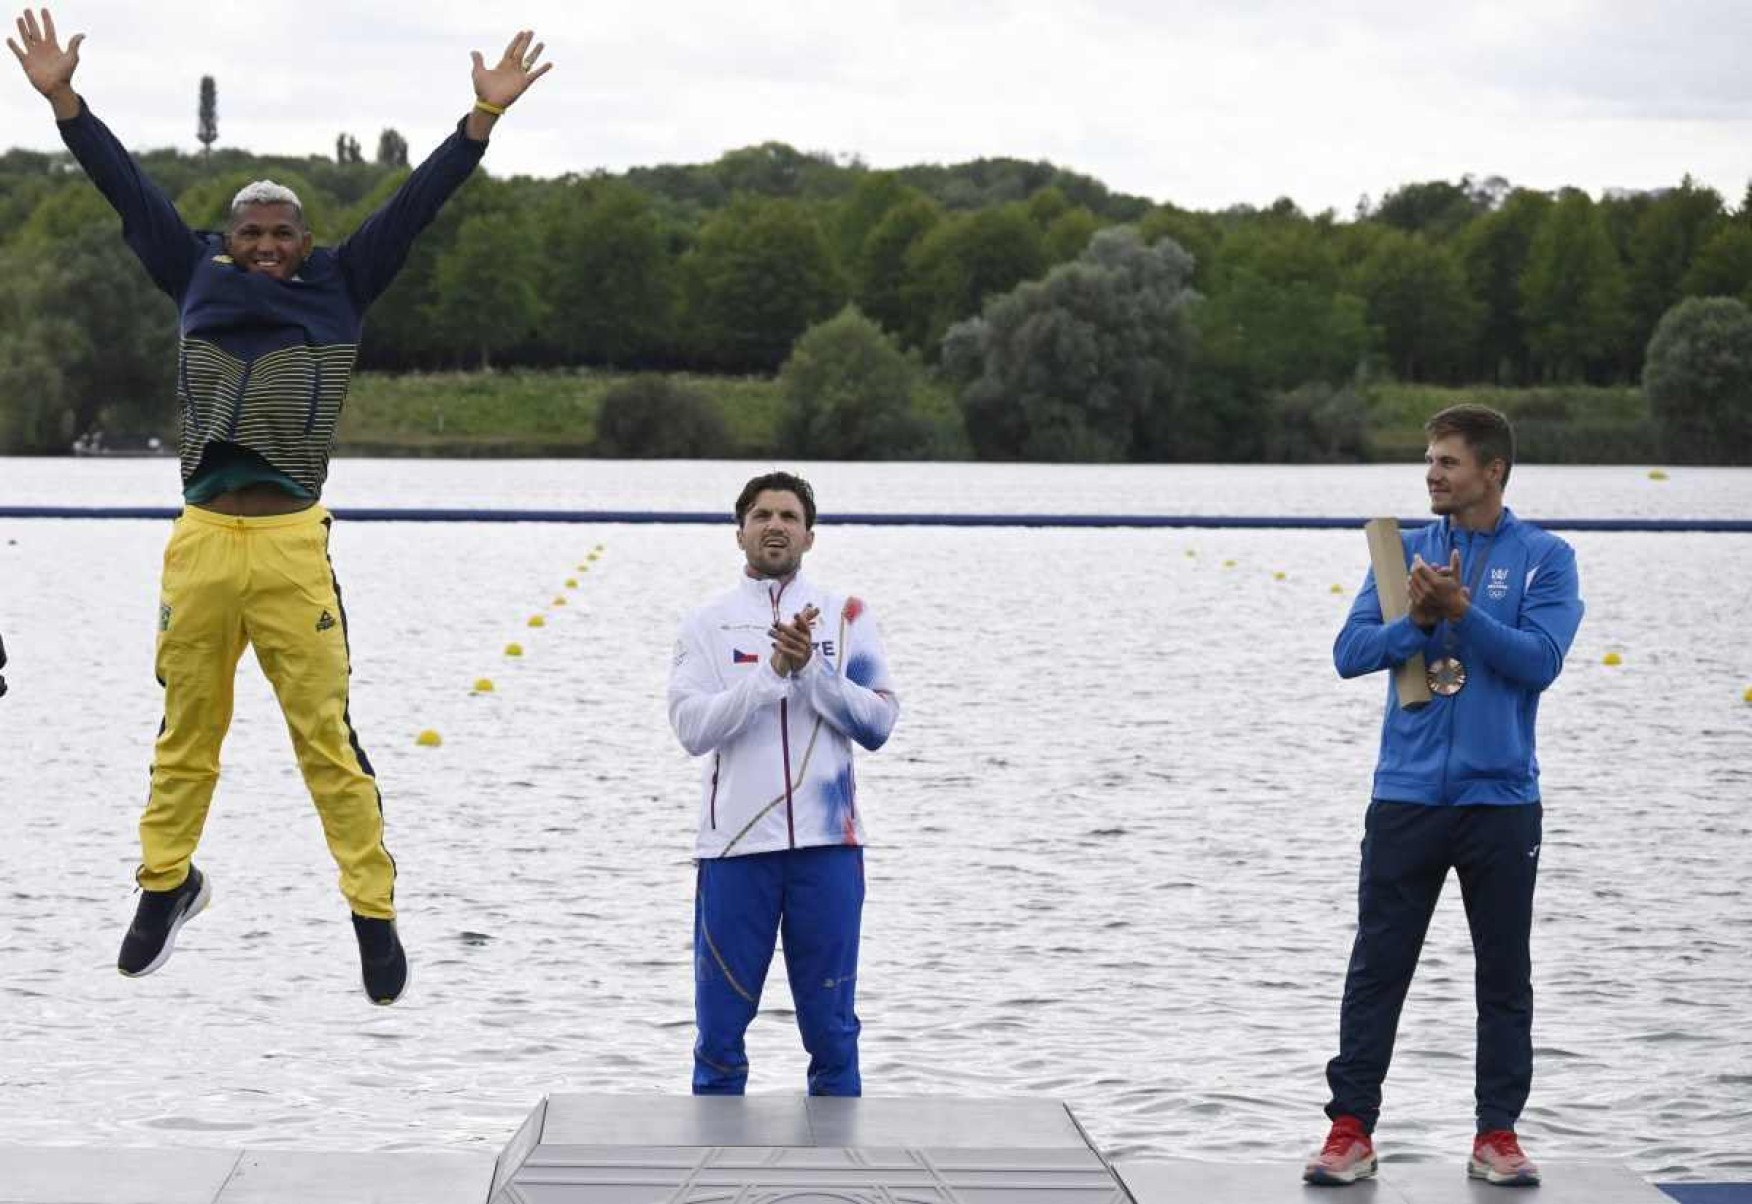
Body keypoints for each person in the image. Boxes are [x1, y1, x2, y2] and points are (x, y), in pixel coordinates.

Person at [7, 7, 551, 1004]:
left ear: (307, 241)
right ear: (228, 237)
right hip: (205, 541)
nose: (264, 245)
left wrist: (480, 118)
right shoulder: (193, 270)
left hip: (295, 542)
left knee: (326, 742)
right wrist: (64, 103)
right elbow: (129, 192)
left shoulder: (344, 280)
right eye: (250, 231)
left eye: (281, 233)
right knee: (186, 733)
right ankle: (165, 885)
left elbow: (415, 205)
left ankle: (372, 910)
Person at [1304, 405, 1584, 1187]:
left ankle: (1497, 1135)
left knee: (1503, 974)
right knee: (1377, 969)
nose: (1432, 474)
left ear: (1492, 472)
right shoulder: (1402, 555)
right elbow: (1348, 653)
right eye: (1429, 460)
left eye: (1448, 462)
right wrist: (1417, 624)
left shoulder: (1546, 559)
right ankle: (1350, 1131)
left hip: (1501, 802)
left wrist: (1465, 613)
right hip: (1406, 796)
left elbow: (1539, 662)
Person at [667, 472, 900, 1095]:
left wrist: (813, 672)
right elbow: (691, 730)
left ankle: (839, 1176)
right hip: (735, 851)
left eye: (790, 517)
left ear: (810, 536)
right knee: (719, 1035)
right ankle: (711, 1178)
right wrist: (771, 674)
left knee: (831, 1031)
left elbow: (878, 724)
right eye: (762, 515)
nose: (776, 525)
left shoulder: (848, 616)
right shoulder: (706, 625)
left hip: (828, 849)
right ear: (739, 531)